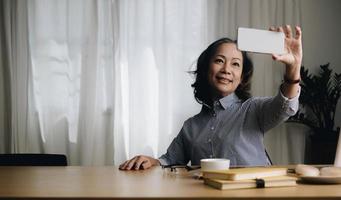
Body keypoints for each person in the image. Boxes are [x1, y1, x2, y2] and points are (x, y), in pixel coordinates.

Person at [119, 25, 302, 170]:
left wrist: (293, 69)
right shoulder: (191, 126)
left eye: (235, 64)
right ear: (206, 69)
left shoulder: (253, 109)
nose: (226, 70)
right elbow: (170, 160)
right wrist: (151, 161)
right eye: (219, 61)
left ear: (241, 78)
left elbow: (285, 106)